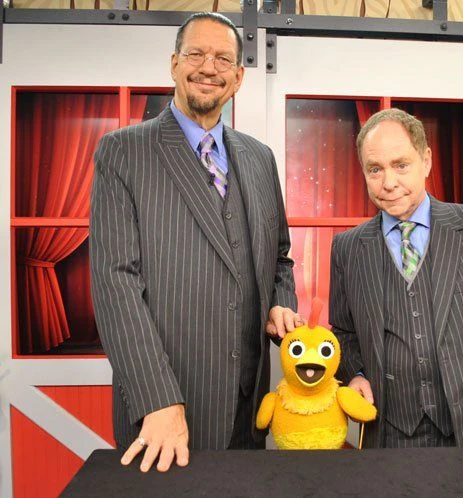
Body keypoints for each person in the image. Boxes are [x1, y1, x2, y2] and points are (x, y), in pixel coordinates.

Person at [90, 12, 300, 473]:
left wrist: (280, 302)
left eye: (223, 58)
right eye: (196, 54)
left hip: (249, 409)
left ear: (238, 77)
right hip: (167, 411)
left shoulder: (260, 158)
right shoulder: (123, 151)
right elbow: (114, 284)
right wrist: (156, 399)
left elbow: (279, 258)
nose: (209, 67)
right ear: (174, 64)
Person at [329, 108, 463, 467]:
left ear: (426, 160)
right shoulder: (347, 248)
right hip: (389, 438)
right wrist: (356, 374)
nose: (388, 182)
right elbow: (344, 332)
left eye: (401, 165)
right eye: (375, 169)